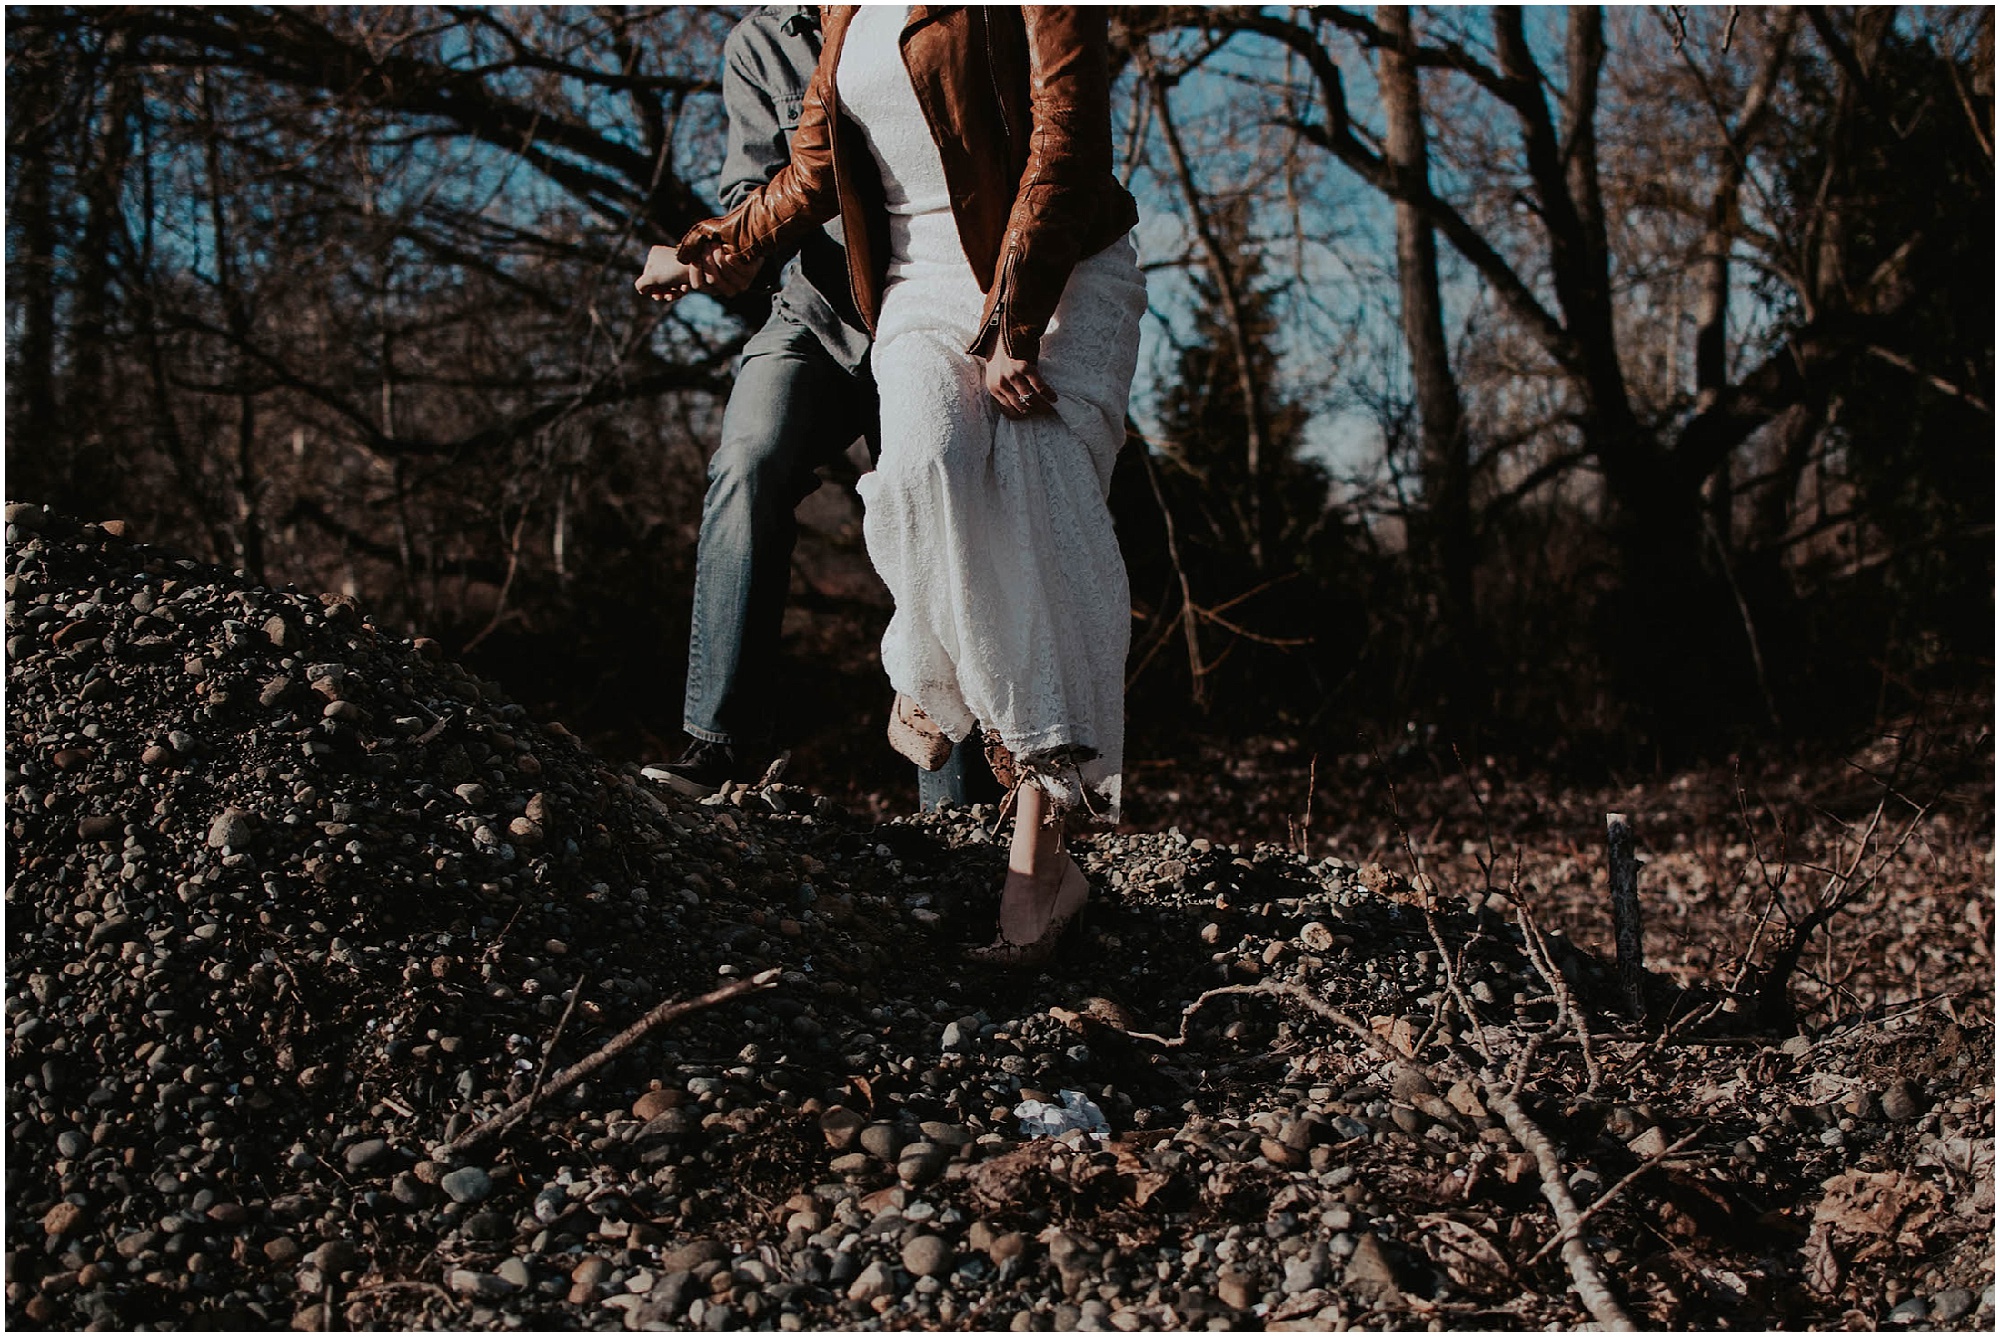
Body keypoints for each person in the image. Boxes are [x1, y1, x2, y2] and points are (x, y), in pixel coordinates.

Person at [677, 6, 1146, 964]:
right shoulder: (839, 10)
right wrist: (715, 247)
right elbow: (809, 172)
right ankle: (927, 660)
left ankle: (1041, 854)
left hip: (1055, 267)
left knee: (1034, 499)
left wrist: (1016, 321)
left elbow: (1067, 147)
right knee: (924, 460)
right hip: (918, 283)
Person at [634, 5, 984, 811]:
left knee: (937, 504)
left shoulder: (927, 17)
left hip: (928, 313)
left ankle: (957, 802)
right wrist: (725, 253)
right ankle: (717, 743)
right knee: (748, 459)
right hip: (814, 319)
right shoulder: (758, 44)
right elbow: (750, 196)